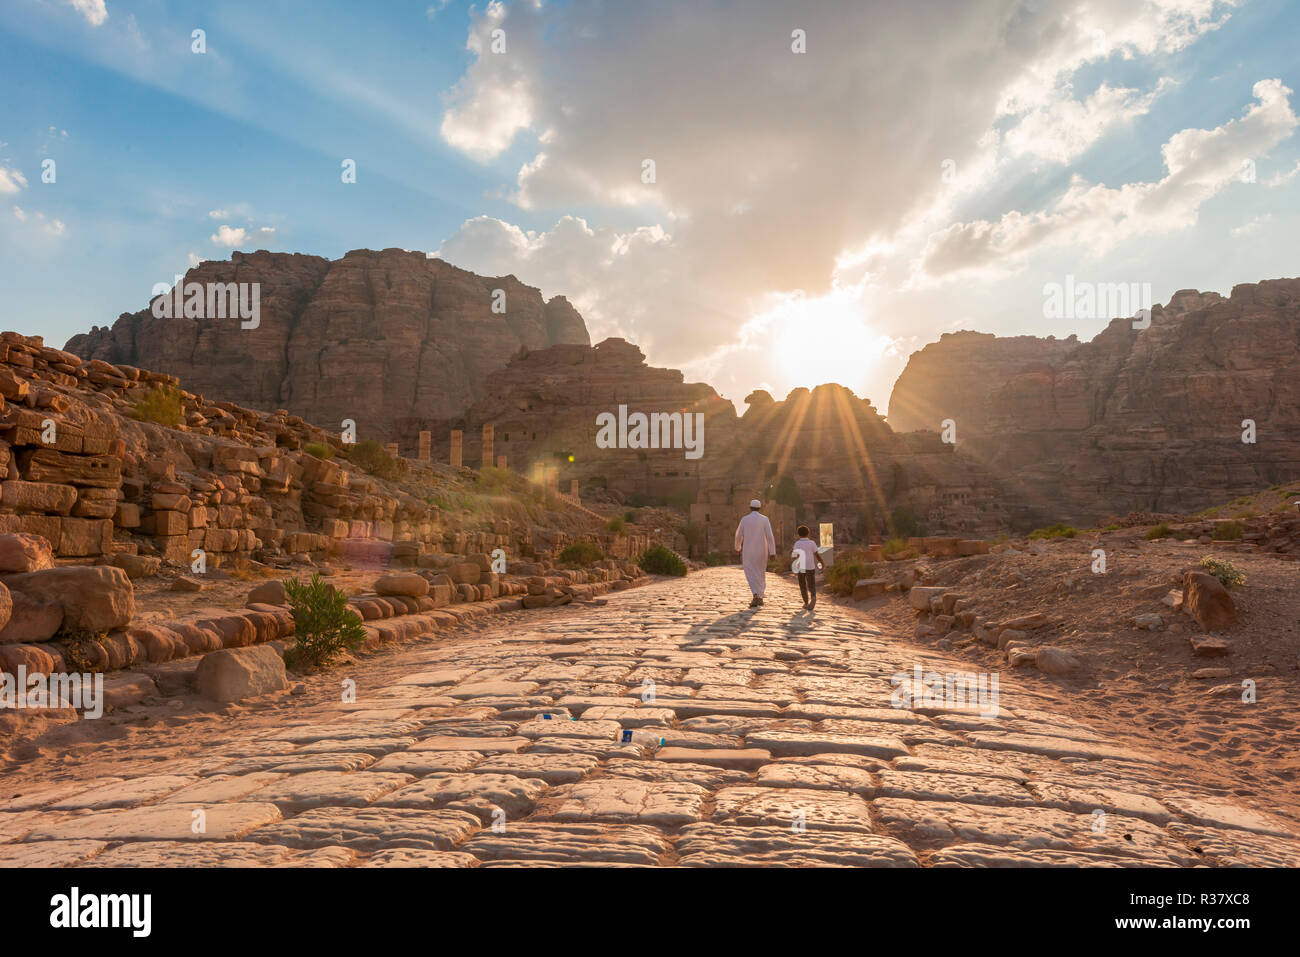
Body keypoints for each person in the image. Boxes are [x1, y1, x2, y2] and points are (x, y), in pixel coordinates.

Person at [734, 499, 776, 608]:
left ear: (750, 507)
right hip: (762, 551)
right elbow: (770, 536)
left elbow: (738, 535)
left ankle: (756, 595)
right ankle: (760, 596)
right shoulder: (765, 519)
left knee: (750, 573)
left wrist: (737, 547)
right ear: (760, 508)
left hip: (748, 551)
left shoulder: (745, 519)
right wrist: (772, 552)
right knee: (761, 573)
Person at [791, 524, 825, 610]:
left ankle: (806, 603)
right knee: (811, 584)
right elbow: (816, 554)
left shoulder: (797, 543)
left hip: (801, 567)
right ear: (808, 533)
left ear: (798, 534)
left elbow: (795, 556)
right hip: (810, 566)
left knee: (802, 585)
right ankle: (813, 597)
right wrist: (821, 562)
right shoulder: (812, 543)